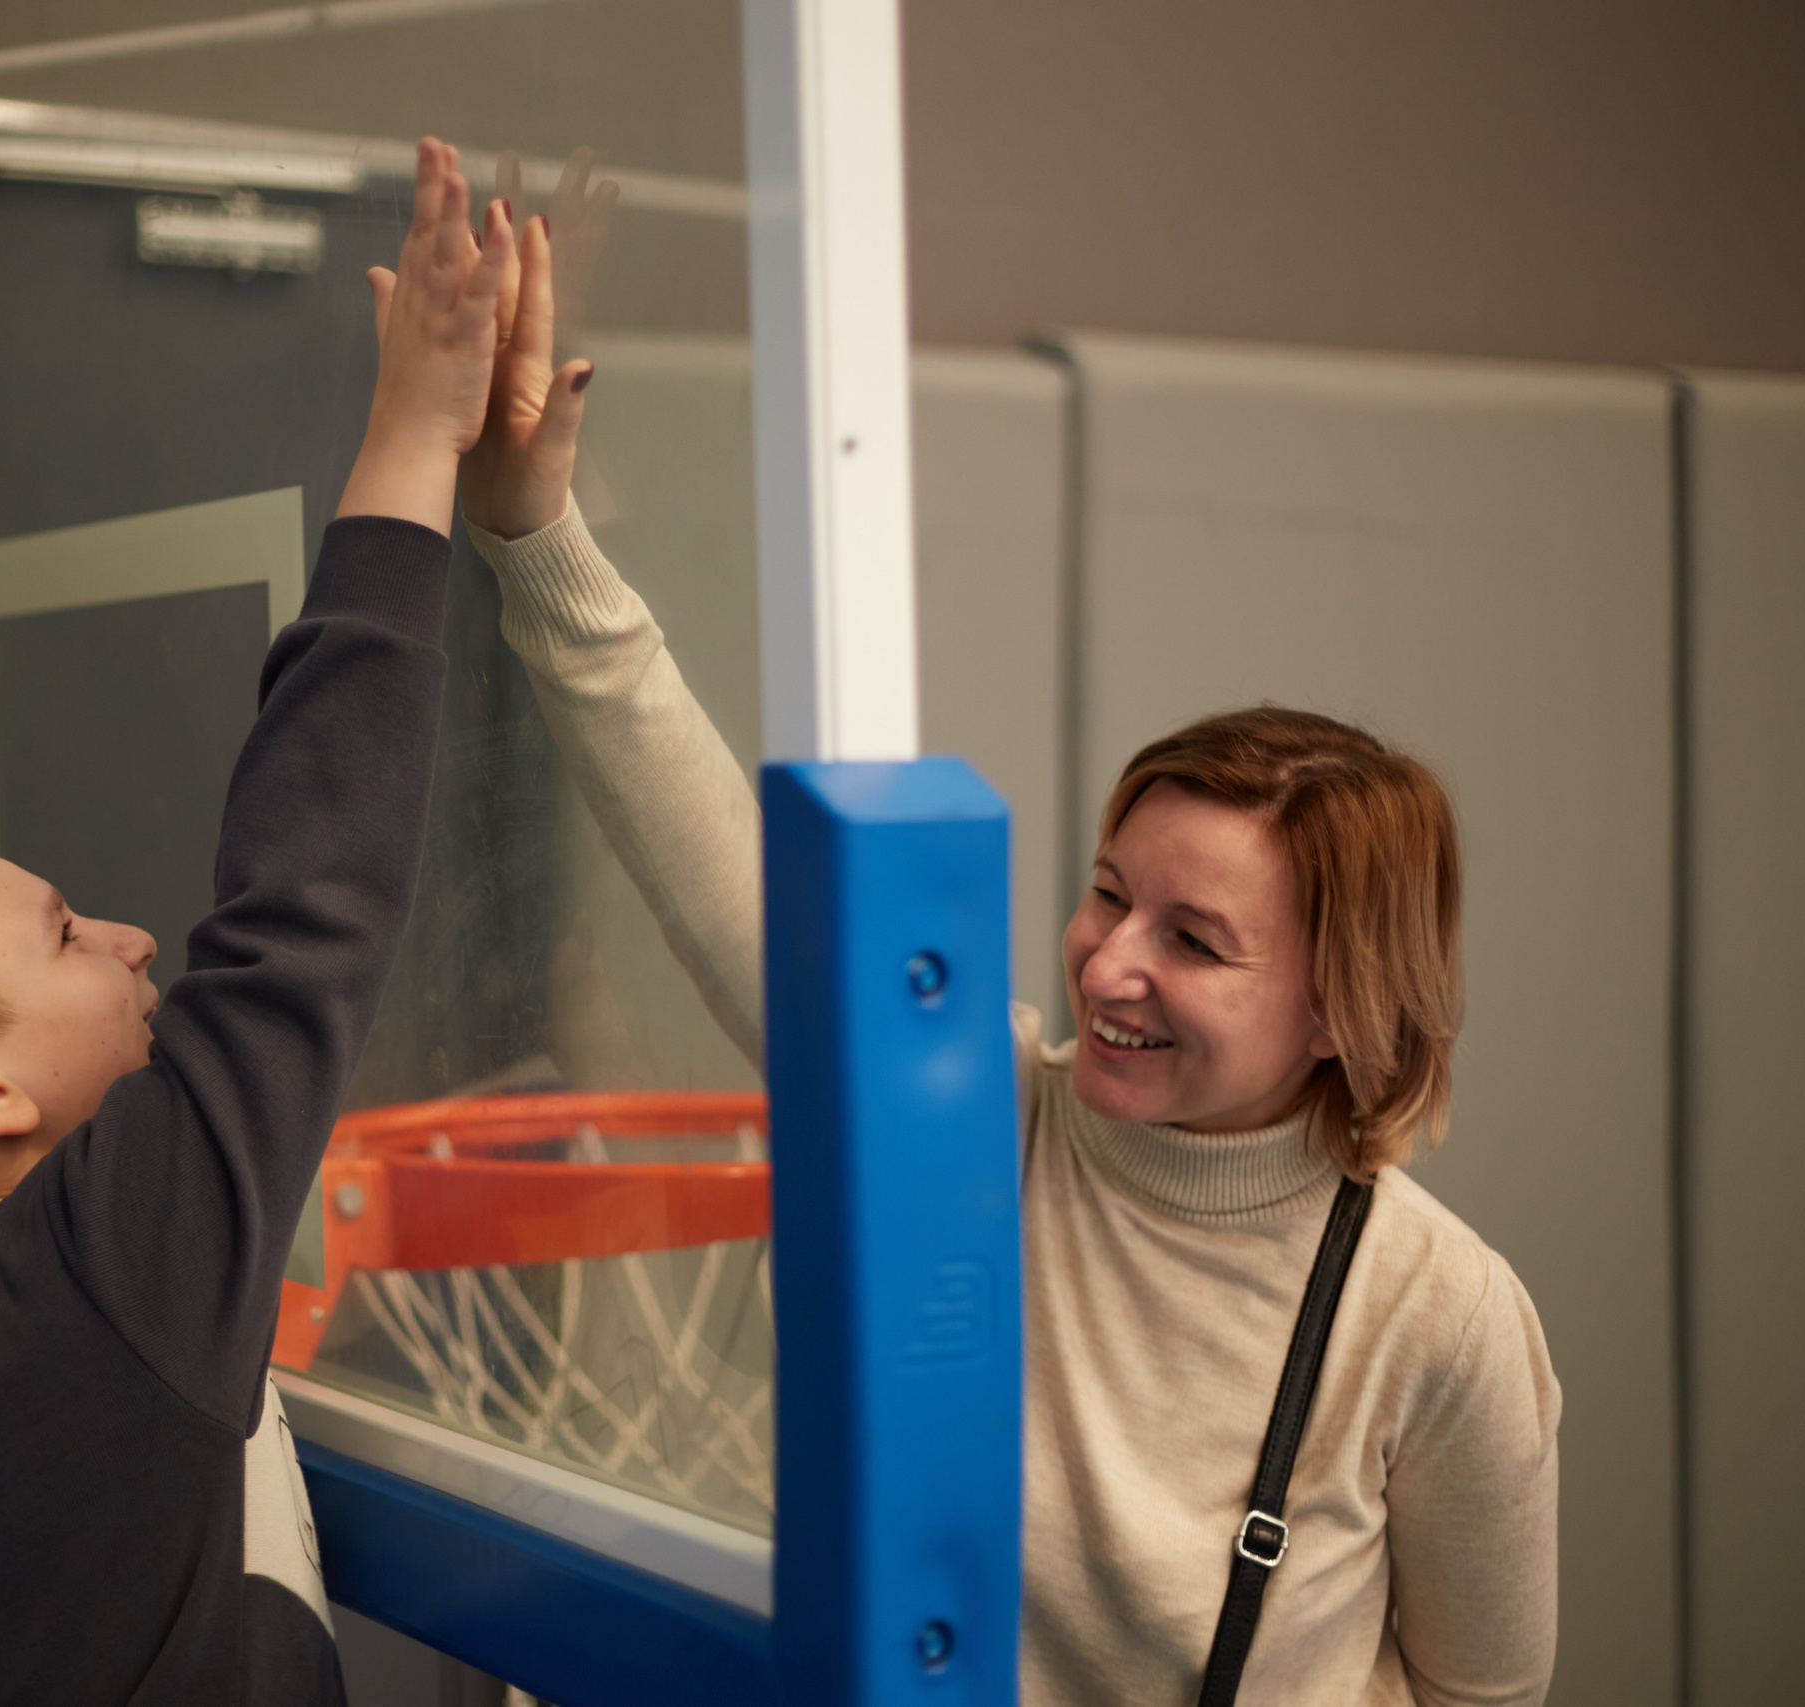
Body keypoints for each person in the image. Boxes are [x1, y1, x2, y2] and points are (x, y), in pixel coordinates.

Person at [456, 219, 1561, 1704]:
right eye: (1108, 896)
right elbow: (725, 874)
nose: (1110, 966)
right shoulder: (975, 1123)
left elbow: (1481, 1696)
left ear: (1339, 1013)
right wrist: (538, 536)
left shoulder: (1438, 1313)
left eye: (1196, 942)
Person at [0, 140, 512, 1705]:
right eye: (62, 935)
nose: (136, 942)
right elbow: (305, 902)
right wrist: (415, 432)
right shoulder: (83, 1288)